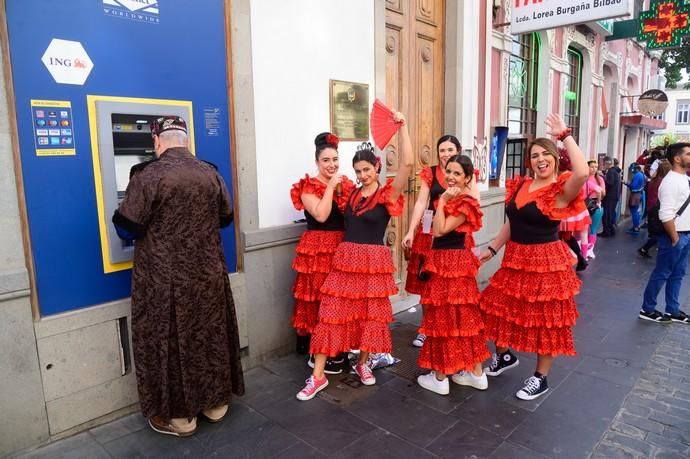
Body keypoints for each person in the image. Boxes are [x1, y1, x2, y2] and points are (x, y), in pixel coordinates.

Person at [112, 116, 244, 436]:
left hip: (164, 280)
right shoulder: (211, 173)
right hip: (208, 275)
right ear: (186, 140)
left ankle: (180, 418)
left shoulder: (147, 175)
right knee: (209, 336)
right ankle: (215, 405)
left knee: (169, 342)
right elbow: (226, 217)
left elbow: (125, 226)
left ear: (156, 141)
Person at [296, 112, 413, 400]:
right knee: (330, 315)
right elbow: (323, 213)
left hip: (373, 263)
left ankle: (363, 364)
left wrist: (404, 128)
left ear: (376, 167)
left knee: (370, 319)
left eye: (366, 170)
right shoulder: (350, 194)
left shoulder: (388, 195)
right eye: (357, 171)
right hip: (346, 259)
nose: (362, 175)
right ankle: (318, 376)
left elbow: (409, 164)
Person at [478, 114, 588, 400]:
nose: (540, 159)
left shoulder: (561, 189)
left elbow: (582, 172)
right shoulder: (522, 186)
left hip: (546, 264)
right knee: (494, 309)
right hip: (515, 260)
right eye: (534, 155)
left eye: (545, 154)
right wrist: (492, 250)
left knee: (545, 322)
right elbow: (512, 223)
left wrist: (564, 135)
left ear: (555, 157)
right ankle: (503, 356)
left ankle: (541, 377)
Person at [415, 154, 490, 395]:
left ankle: (440, 377)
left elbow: (439, 230)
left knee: (445, 316)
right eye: (449, 171)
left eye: (457, 173)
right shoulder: (460, 199)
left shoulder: (463, 201)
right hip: (456, 262)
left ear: (468, 178)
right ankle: (475, 373)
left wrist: (442, 201)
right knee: (463, 316)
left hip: (450, 262)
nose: (451, 176)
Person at [290, 132, 355, 374]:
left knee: (339, 301)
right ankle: (317, 352)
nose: (332, 165)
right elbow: (321, 215)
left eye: (335, 159)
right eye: (326, 160)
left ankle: (337, 347)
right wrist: (331, 187)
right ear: (317, 162)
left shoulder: (345, 184)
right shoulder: (307, 186)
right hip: (317, 250)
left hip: (341, 247)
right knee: (319, 300)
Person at [402, 135, 460, 348]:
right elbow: (420, 203)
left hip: (454, 235)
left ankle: (447, 327)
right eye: (442, 150)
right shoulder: (430, 173)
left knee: (449, 285)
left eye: (450, 150)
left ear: (458, 150)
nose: (446, 154)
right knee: (427, 284)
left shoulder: (466, 173)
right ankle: (426, 328)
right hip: (429, 235)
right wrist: (410, 230)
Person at [638, 143, 690, 324]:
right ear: (677, 158)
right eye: (689, 154)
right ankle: (647, 308)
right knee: (662, 273)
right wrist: (675, 237)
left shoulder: (684, 178)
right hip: (675, 236)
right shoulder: (671, 181)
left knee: (677, 274)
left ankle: (672, 309)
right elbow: (665, 213)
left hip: (685, 234)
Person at [638, 159, 671, 258]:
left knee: (657, 231)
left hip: (652, 207)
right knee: (661, 232)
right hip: (657, 208)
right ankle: (646, 247)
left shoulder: (655, 179)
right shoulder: (663, 182)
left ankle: (646, 247)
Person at [583, 160, 606, 259]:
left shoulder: (599, 179)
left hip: (596, 205)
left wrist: (598, 199)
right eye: (591, 166)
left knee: (593, 229)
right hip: (583, 205)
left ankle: (590, 250)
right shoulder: (583, 178)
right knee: (582, 230)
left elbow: (603, 193)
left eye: (596, 167)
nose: (594, 169)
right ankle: (583, 249)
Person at [600, 156, 621, 238]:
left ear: (607, 163)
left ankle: (607, 232)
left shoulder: (611, 171)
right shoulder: (615, 171)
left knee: (606, 214)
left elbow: (610, 183)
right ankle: (611, 230)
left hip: (610, 196)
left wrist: (602, 177)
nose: (603, 165)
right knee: (610, 214)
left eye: (603, 164)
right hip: (614, 196)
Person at [625, 164, 645, 234]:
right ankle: (637, 226)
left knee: (634, 211)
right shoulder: (641, 174)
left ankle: (636, 227)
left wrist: (626, 183)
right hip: (639, 194)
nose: (631, 171)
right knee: (635, 211)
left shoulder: (637, 175)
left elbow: (633, 186)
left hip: (635, 195)